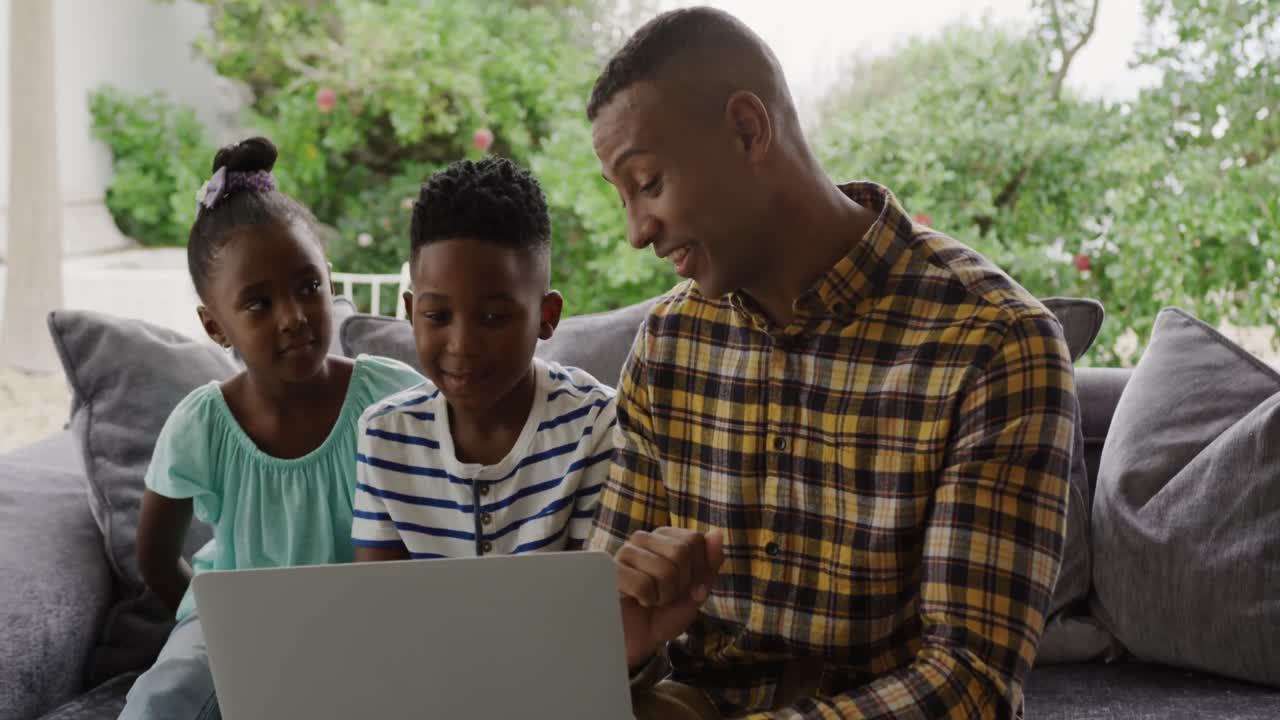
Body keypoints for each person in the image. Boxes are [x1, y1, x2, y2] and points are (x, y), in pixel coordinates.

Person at [584, 8, 1078, 719]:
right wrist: (625, 646)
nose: (636, 231)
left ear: (746, 130)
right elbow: (607, 638)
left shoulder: (995, 344)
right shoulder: (669, 343)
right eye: (623, 196)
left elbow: (970, 681)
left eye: (649, 182)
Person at [119, 137, 425, 720]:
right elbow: (155, 556)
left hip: (366, 624)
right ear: (215, 326)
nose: (293, 316)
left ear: (329, 281)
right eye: (258, 304)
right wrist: (211, 617)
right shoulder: (202, 424)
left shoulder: (391, 395)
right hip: (238, 625)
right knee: (164, 698)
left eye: (308, 287)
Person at [350, 158, 616, 562]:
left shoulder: (594, 426)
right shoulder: (384, 435)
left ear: (546, 316)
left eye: (493, 317)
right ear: (410, 312)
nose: (462, 345)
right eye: (437, 316)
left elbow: (587, 592)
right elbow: (379, 595)